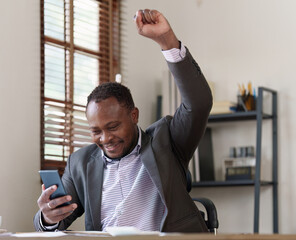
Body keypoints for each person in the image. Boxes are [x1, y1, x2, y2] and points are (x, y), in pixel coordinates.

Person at [34, 9, 212, 233]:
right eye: (96, 131)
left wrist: (167, 41)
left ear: (133, 115)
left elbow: (199, 103)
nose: (106, 138)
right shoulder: (80, 163)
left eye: (113, 127)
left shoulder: (167, 141)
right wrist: (48, 217)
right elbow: (57, 219)